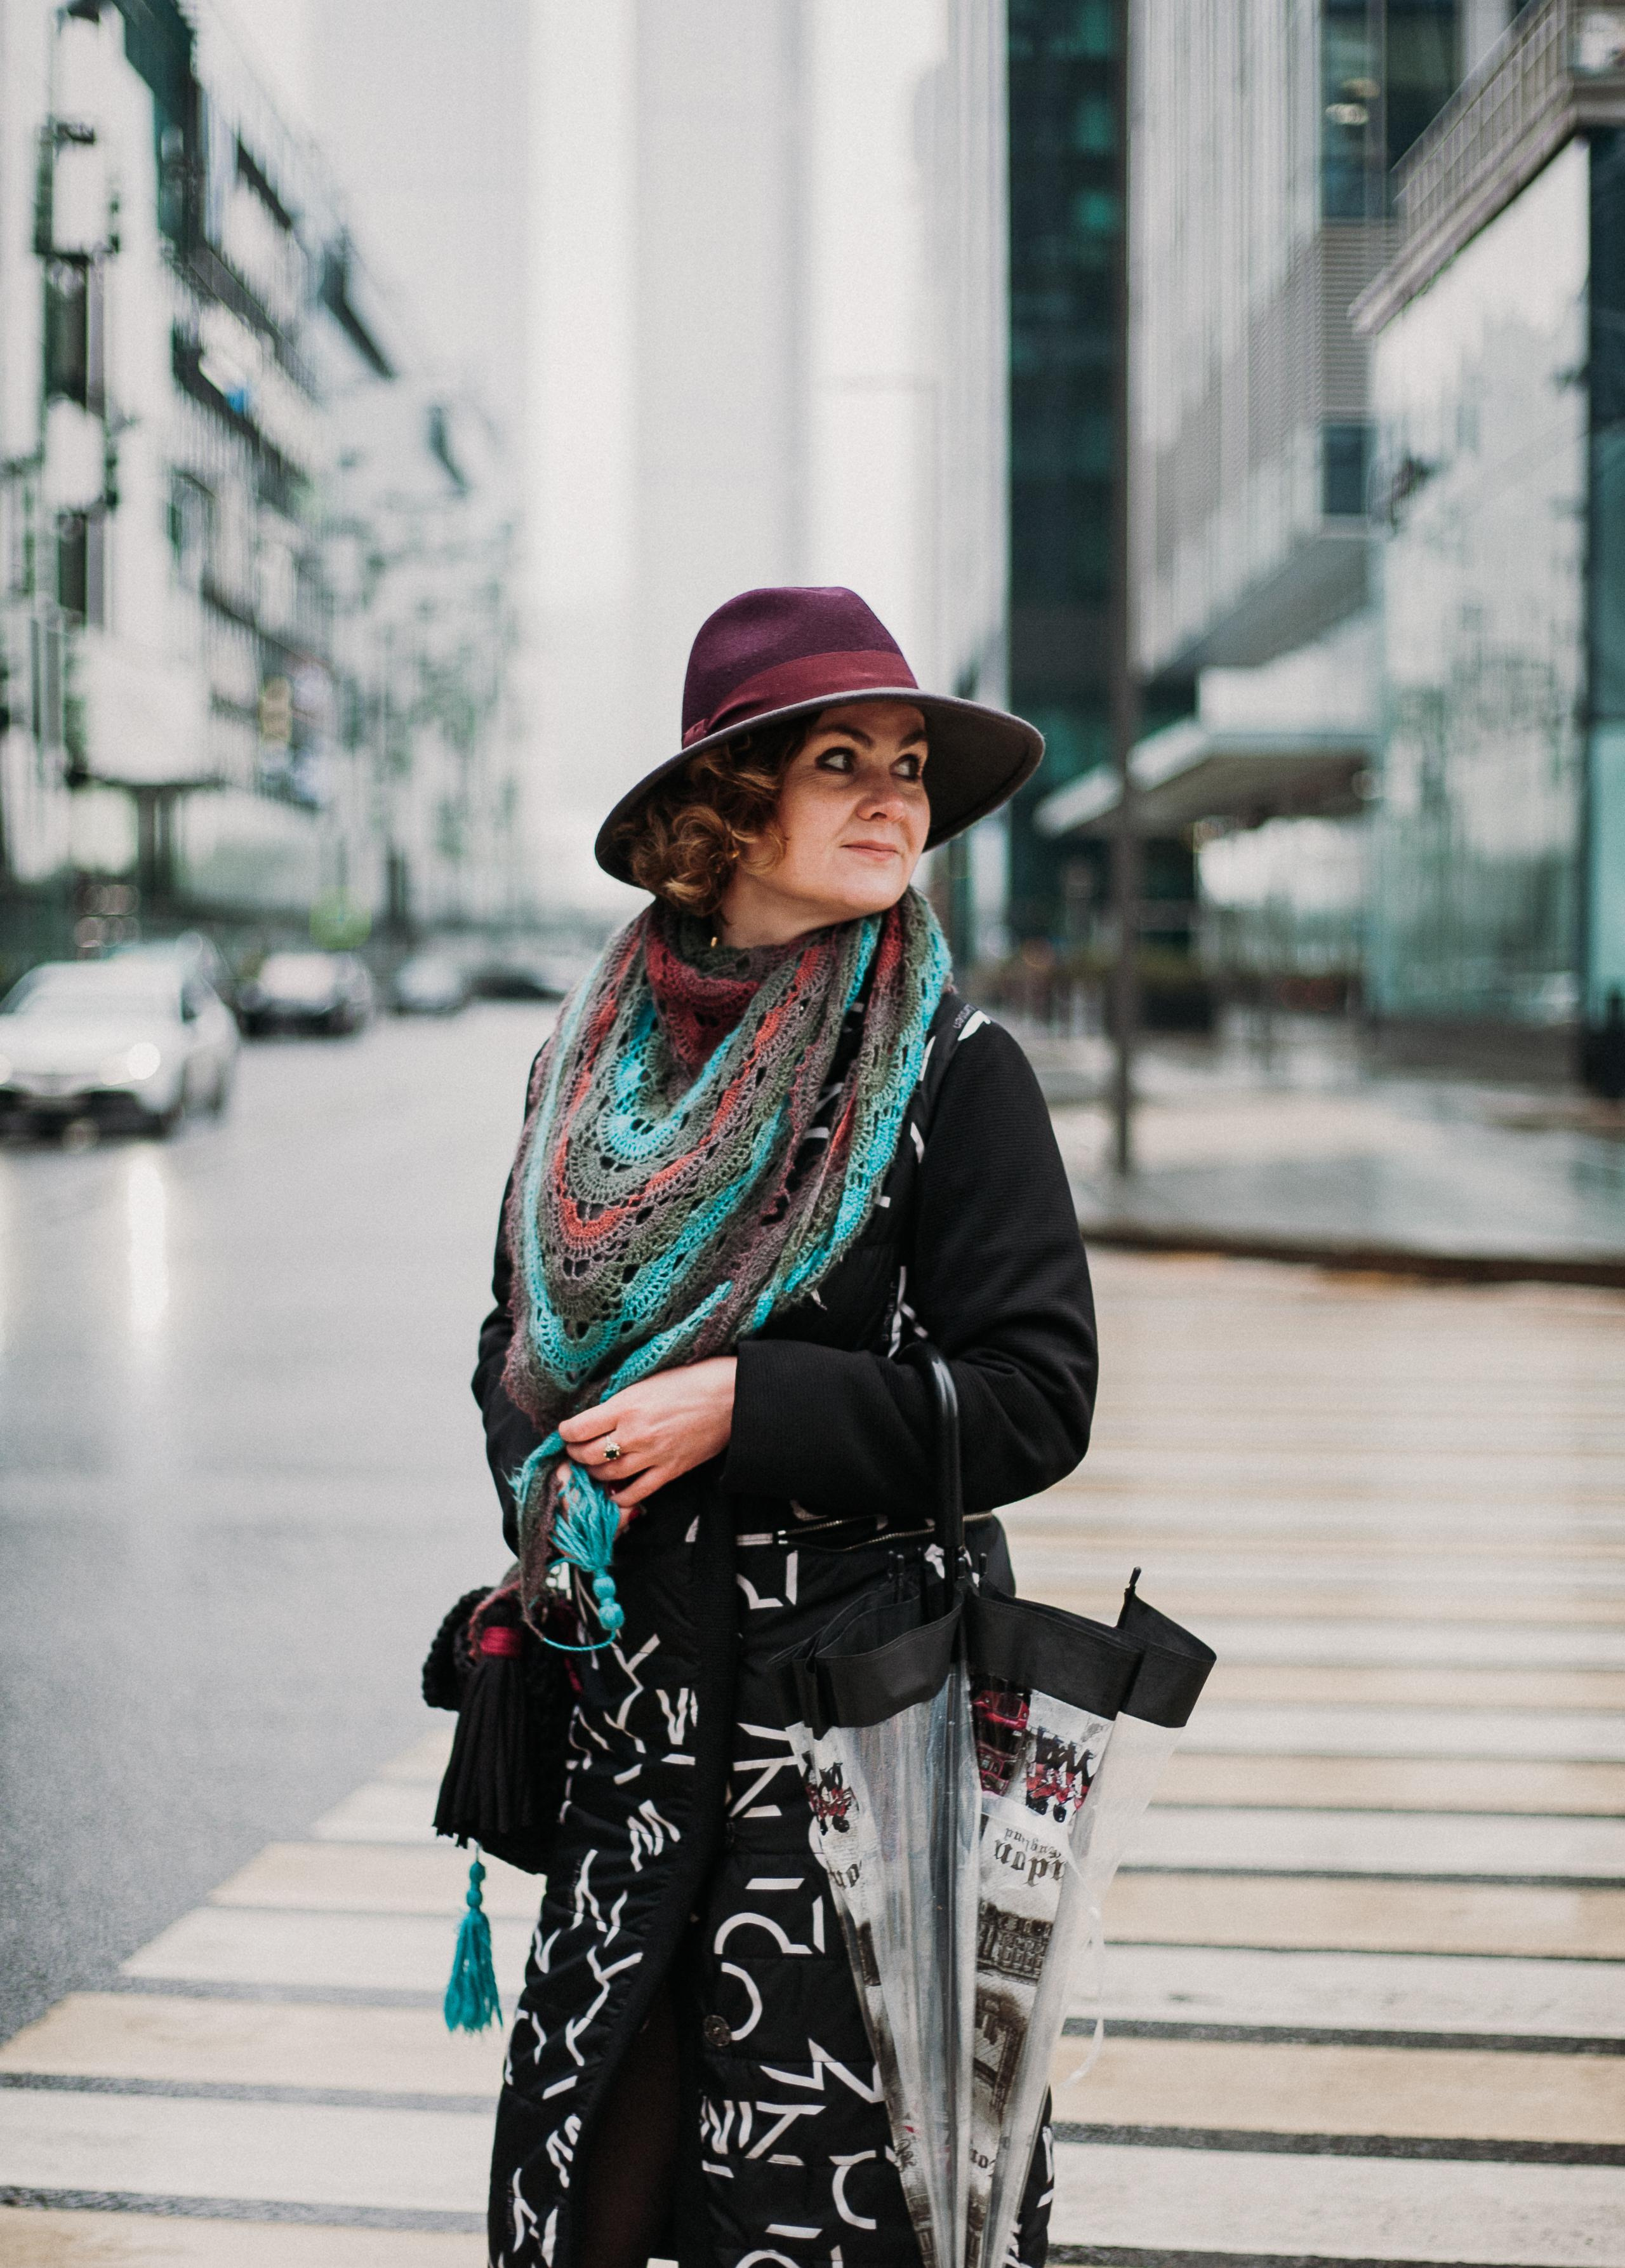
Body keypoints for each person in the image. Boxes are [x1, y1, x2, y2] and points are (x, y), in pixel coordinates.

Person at [473, 585, 1098, 2268]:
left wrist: (750, 1408)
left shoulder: (957, 1073)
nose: (899, 797)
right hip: (643, 1733)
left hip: (863, 1754)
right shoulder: (590, 1078)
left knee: (845, 2211)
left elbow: (1039, 1396)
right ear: (725, 810)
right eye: (845, 760)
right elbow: (515, 1345)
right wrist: (560, 1480)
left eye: (909, 763)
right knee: (601, 2193)